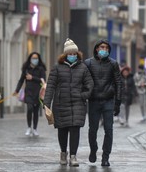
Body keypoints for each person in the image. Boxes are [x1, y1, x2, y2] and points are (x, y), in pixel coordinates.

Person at [43, 38, 94, 167]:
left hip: (78, 104)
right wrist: (46, 104)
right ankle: (63, 153)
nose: (72, 56)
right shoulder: (57, 68)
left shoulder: (83, 68)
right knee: (62, 130)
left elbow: (90, 84)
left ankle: (73, 156)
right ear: (65, 55)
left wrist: (83, 96)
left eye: (74, 54)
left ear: (77, 54)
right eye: (70, 54)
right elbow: (50, 86)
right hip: (61, 104)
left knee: (75, 129)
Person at [85, 39, 122, 167]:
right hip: (94, 101)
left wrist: (117, 102)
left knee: (109, 130)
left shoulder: (113, 64)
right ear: (96, 48)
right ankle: (93, 149)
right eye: (102, 47)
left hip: (108, 100)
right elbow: (84, 81)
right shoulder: (88, 63)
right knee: (92, 130)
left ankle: (105, 157)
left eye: (106, 48)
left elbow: (118, 83)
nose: (104, 50)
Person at [13, 52, 47, 137]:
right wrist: (17, 90)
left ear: (38, 59)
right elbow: (21, 80)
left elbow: (43, 80)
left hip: (38, 93)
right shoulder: (26, 69)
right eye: (33, 58)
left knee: (36, 111)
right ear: (30, 59)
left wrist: (33, 78)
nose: (34, 60)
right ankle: (29, 127)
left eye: (36, 58)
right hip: (28, 92)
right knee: (30, 108)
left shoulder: (41, 69)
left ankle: (35, 128)